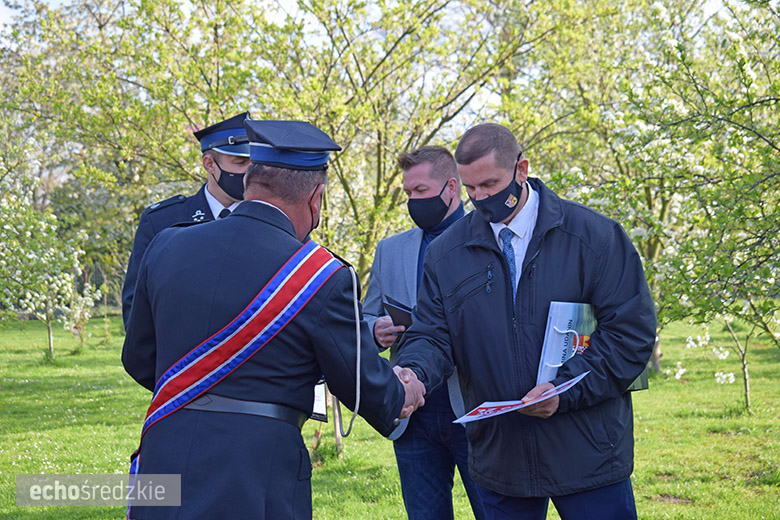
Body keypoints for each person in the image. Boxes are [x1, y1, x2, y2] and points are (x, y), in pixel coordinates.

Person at [122, 118, 425, 520]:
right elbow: (359, 383)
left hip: (166, 447)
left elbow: (139, 358)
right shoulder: (321, 275)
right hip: (256, 470)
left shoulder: (167, 243)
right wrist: (403, 393)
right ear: (316, 198)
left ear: (249, 181)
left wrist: (198, 399)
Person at [394, 123, 656, 520]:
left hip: (588, 455)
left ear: (521, 169)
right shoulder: (447, 253)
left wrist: (563, 392)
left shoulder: (595, 238)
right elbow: (432, 333)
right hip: (502, 461)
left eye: (489, 184)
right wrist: (413, 371)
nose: (480, 198)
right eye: (470, 189)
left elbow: (630, 336)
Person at [363, 146, 485, 519]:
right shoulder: (390, 250)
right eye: (408, 193)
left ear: (451, 188)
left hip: (478, 407)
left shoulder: (488, 239)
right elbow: (366, 315)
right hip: (412, 411)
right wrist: (376, 331)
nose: (413, 201)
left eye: (421, 191)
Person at [121, 112, 252, 327]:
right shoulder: (161, 222)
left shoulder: (272, 218)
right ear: (209, 164)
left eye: (254, 163)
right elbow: (136, 309)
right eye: (240, 162)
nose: (250, 172)